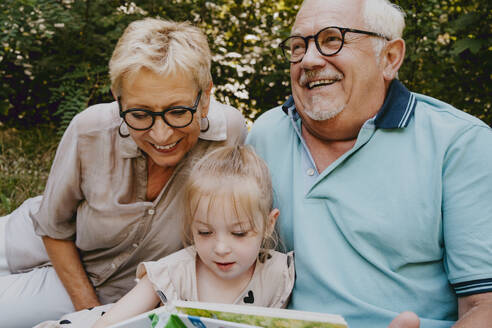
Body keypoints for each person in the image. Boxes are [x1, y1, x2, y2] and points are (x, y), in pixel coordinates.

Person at [246, 0, 492, 327]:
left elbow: (483, 307)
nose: (308, 59)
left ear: (389, 58)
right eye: (297, 46)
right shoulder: (265, 135)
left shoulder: (459, 143)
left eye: (332, 39)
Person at [0, 18, 247, 327]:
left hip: (110, 287)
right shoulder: (90, 129)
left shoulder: (230, 136)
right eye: (140, 114)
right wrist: (89, 312)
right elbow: (53, 228)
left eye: (178, 112)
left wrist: (97, 316)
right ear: (118, 101)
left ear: (206, 98)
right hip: (40, 239)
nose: (161, 134)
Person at [33, 145, 294, 328]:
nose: (221, 248)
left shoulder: (277, 276)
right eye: (204, 232)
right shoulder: (175, 272)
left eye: (239, 233)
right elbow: (109, 322)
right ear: (191, 225)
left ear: (269, 224)